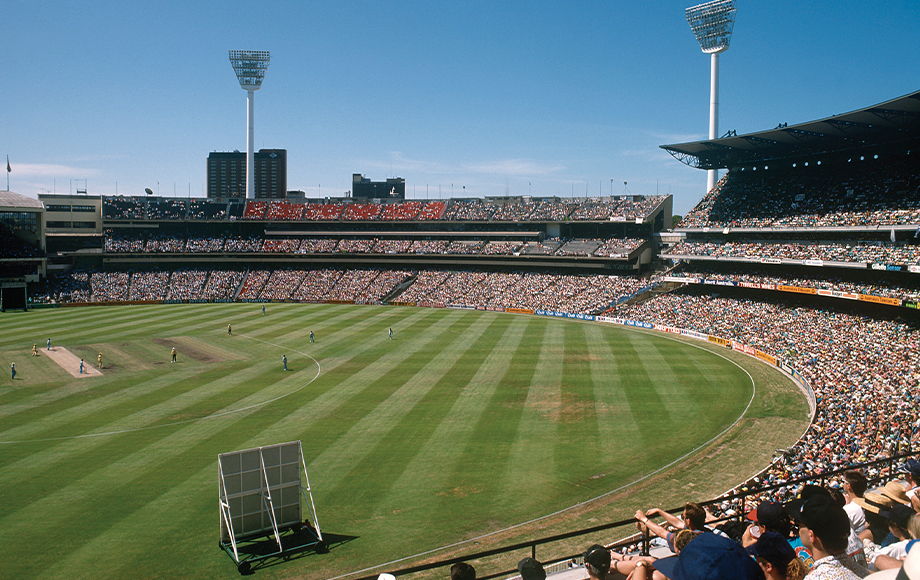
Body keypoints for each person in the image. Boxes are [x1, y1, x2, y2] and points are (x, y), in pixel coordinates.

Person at [794, 495, 870, 579]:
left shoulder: (815, 578)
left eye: (800, 524)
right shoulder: (862, 572)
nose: (799, 529)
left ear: (811, 535)